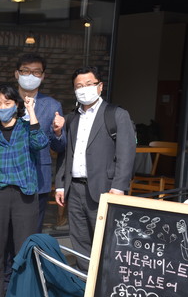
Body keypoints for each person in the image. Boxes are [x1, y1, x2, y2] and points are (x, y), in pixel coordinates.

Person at [55, 67, 135, 271]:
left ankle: (105, 284)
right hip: (75, 189)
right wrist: (61, 185)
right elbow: (67, 154)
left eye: (89, 84)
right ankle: (85, 283)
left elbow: (126, 154)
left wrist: (119, 187)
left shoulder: (116, 114)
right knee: (79, 240)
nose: (84, 89)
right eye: (79, 86)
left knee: (106, 239)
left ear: (100, 86)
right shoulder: (73, 118)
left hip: (104, 189)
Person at [0, 84, 48, 297]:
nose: (2, 107)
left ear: (16, 105)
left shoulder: (27, 129)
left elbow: (41, 142)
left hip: (24, 195)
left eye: (7, 103)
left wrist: (32, 111)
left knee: (23, 248)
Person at [14, 54, 66, 232]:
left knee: (32, 231)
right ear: (17, 74)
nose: (30, 76)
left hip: (38, 178)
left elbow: (59, 147)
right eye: (25, 71)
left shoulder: (52, 105)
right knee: (7, 231)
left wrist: (58, 132)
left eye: (36, 72)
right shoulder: (5, 101)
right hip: (8, 177)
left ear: (43, 76)